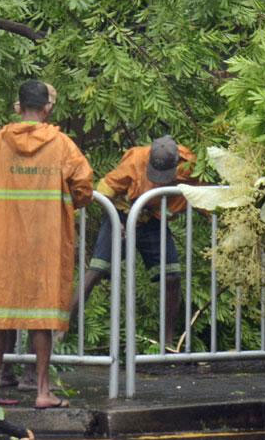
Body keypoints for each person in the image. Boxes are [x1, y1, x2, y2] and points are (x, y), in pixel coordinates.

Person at [0, 80, 93, 409]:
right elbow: (84, 185)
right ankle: (42, 391)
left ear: (19, 107)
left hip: (5, 244)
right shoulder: (62, 145)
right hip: (45, 243)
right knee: (41, 317)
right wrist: (70, 204)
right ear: (46, 109)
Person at [76, 135, 196, 348]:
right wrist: (115, 218)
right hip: (122, 214)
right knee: (97, 270)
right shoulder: (135, 160)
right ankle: (59, 331)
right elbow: (104, 189)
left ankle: (167, 342)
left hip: (153, 219)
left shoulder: (189, 164)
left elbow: (204, 192)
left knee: (172, 276)